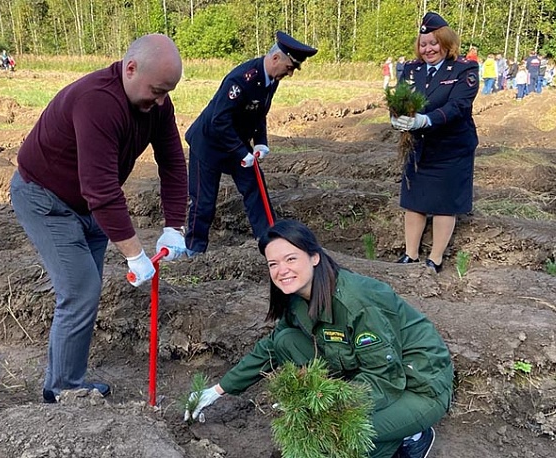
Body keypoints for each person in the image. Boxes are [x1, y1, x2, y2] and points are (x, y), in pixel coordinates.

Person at [9, 34, 188, 403]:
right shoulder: (97, 102)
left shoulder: (157, 105)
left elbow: (172, 162)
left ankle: (66, 377)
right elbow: (101, 188)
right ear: (131, 68)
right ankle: (62, 389)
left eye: (166, 93)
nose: (159, 101)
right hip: (46, 199)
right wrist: (135, 254)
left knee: (85, 291)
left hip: (87, 206)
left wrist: (175, 225)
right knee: (80, 290)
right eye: (155, 90)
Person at [184, 220, 453, 458]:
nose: (281, 270)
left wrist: (325, 407)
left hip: (417, 386)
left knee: (339, 434)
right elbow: (271, 347)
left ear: (314, 257)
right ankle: (387, 426)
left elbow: (385, 378)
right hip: (374, 375)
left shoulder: (357, 301)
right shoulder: (299, 297)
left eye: (291, 259)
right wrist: (219, 389)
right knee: (286, 341)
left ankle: (412, 437)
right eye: (273, 264)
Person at [184, 31, 317, 256]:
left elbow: (258, 112)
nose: (290, 74)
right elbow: (219, 120)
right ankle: (194, 250)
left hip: (237, 141)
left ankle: (270, 242)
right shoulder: (241, 79)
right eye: (290, 67)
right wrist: (239, 151)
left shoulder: (271, 80)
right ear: (276, 58)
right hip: (208, 143)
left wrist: (260, 142)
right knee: (203, 200)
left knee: (256, 189)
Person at [389, 12, 479, 273]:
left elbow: (458, 106)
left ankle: (435, 259)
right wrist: (396, 118)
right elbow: (400, 100)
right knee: (414, 200)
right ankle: (411, 254)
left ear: (445, 42)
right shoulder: (411, 69)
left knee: (444, 203)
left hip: (452, 148)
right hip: (419, 148)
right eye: (423, 43)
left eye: (433, 43)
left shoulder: (464, 69)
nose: (427, 49)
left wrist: (425, 120)